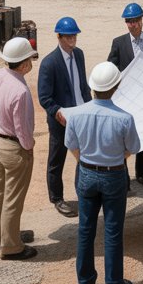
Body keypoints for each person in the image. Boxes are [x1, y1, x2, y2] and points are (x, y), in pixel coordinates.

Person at [64, 60, 140, 284]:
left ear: (92, 86)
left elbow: (72, 147)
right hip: (113, 174)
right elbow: (132, 148)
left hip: (86, 172)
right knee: (113, 230)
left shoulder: (75, 114)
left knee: (85, 229)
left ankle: (86, 282)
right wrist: (114, 158)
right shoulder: (124, 118)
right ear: (116, 87)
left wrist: (86, 161)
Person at [0, 36, 40, 261]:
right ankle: (11, 246)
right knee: (13, 198)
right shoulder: (21, 91)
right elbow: (23, 129)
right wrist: (28, 148)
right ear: (25, 64)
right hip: (13, 148)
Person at [37, 16, 91, 216]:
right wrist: (57, 112)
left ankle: (83, 193)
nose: (72, 41)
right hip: (60, 121)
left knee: (83, 158)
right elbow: (44, 97)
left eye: (74, 36)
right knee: (56, 160)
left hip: (80, 116)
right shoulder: (49, 63)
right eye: (68, 37)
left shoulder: (80, 55)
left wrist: (89, 105)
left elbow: (82, 85)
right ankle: (57, 198)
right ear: (59, 37)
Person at [108, 1, 143, 190]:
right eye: (129, 21)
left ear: (142, 20)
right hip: (126, 99)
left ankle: (141, 174)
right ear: (126, 23)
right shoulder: (119, 43)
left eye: (136, 20)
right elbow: (110, 69)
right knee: (123, 138)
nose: (133, 24)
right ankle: (124, 177)